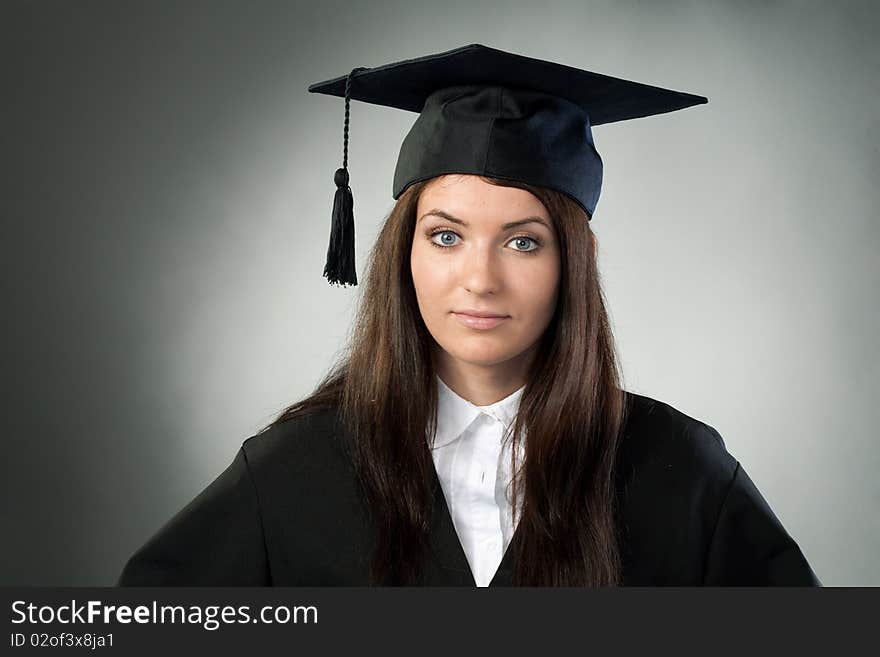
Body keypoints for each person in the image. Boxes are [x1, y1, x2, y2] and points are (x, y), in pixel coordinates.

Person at [117, 44, 820, 586]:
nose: (479, 279)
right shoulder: (301, 469)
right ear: (404, 252)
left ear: (578, 259)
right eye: (445, 235)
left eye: (523, 240)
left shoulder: (678, 471)